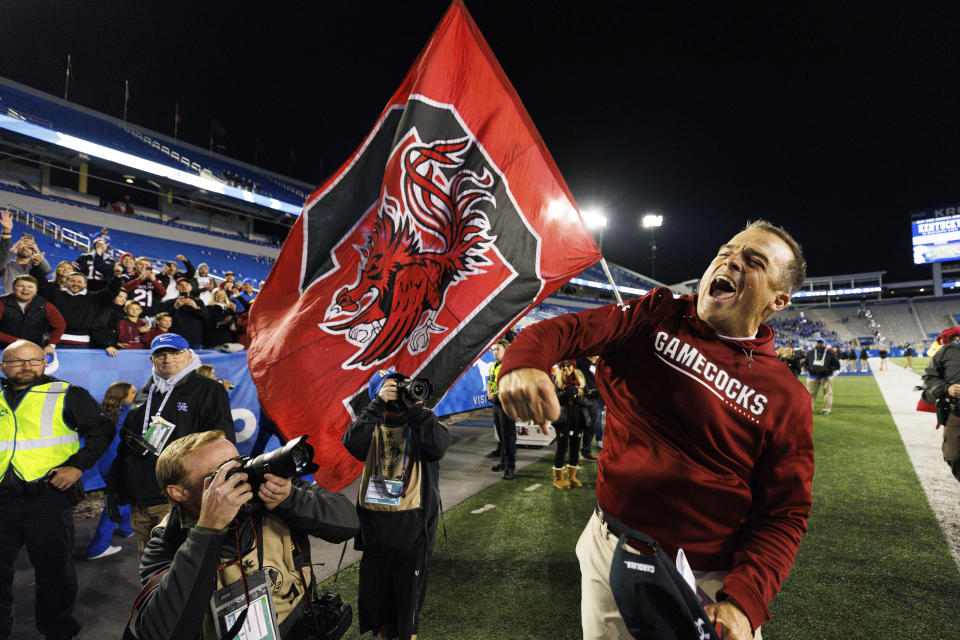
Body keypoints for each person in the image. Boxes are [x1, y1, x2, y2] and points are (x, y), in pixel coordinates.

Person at [498, 220, 813, 639]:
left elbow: (784, 513)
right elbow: (567, 331)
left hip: (707, 579)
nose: (731, 260)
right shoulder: (658, 313)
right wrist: (523, 361)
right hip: (612, 544)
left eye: (753, 261)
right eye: (726, 251)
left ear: (778, 299)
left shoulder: (785, 396)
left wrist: (744, 601)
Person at [125, 430, 359, 640]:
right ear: (179, 492)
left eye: (239, 464)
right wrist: (208, 530)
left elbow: (348, 525)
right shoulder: (168, 542)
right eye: (222, 474)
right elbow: (159, 632)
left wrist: (291, 500)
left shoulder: (269, 498)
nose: (242, 478)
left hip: (301, 625)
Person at [0, 339, 115, 640]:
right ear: (3, 366)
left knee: (54, 572)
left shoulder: (66, 394)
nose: (27, 366)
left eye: (34, 360)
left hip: (47, 500)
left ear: (43, 362)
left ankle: (57, 629)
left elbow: (103, 429)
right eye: (17, 361)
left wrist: (78, 466)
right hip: (1, 502)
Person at [342, 369, 451, 640]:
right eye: (391, 391)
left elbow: (437, 446)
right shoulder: (371, 425)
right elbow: (352, 443)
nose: (399, 396)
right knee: (380, 618)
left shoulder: (422, 423)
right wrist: (377, 405)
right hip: (375, 535)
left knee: (406, 621)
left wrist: (415, 409)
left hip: (414, 536)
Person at [107, 333, 234, 555]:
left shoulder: (207, 389)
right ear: (152, 360)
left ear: (189, 355)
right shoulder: (146, 391)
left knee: (185, 564)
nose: (168, 359)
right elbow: (127, 443)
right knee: (150, 564)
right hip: (142, 499)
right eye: (161, 354)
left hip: (181, 498)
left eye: (175, 353)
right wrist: (116, 485)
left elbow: (222, 444)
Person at [86, 381, 137, 559]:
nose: (135, 394)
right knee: (115, 503)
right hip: (120, 464)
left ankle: (126, 529)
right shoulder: (130, 412)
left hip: (105, 464)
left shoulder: (103, 413)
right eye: (132, 392)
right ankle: (98, 547)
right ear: (123, 396)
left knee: (122, 497)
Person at [35, 268, 124, 348]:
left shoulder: (93, 298)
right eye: (72, 281)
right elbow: (42, 284)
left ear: (85, 284)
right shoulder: (55, 294)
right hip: (53, 343)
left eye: (79, 282)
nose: (75, 284)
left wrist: (117, 276)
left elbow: (111, 291)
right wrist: (36, 266)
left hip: (81, 343)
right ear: (66, 282)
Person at [922, 333, 960, 481]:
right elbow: (930, 377)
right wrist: (947, 389)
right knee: (954, 455)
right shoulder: (947, 351)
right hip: (956, 413)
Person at [0, 274, 65, 352]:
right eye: (20, 286)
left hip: (34, 349)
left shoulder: (46, 305)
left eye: (30, 287)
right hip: (3, 348)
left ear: (36, 290)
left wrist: (51, 344)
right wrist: (16, 341)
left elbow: (60, 326)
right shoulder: (1, 303)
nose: (25, 289)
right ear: (13, 288)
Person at [551, 360, 589, 490]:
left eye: (569, 366)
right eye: (563, 366)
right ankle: (558, 479)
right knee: (562, 448)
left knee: (575, 447)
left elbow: (586, 398)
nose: (566, 368)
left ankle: (572, 477)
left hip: (578, 417)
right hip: (562, 418)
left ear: (573, 366)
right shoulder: (556, 378)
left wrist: (582, 397)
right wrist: (570, 392)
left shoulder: (580, 378)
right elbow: (554, 397)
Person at [0, 210, 51, 295]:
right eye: (23, 245)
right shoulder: (8, 265)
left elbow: (47, 270)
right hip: (9, 303)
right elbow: (1, 260)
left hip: (30, 304)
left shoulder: (34, 267)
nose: (25, 248)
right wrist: (14, 248)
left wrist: (37, 250)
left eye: (29, 247)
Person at [487, 338, 516, 479]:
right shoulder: (493, 366)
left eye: (498, 349)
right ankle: (504, 463)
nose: (495, 352)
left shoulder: (510, 366)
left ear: (506, 350)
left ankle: (510, 467)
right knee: (502, 436)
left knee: (508, 437)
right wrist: (489, 394)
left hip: (507, 405)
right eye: (494, 350)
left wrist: (498, 395)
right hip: (496, 405)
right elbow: (489, 382)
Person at [161, 279, 207, 348]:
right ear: (177, 287)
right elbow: (167, 321)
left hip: (195, 340)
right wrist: (175, 307)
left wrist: (196, 307)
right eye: (181, 285)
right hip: (177, 339)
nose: (184, 287)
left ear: (191, 287)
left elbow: (206, 318)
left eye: (187, 284)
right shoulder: (169, 302)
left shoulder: (199, 302)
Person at [804, 339, 840, 415]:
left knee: (828, 393)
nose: (820, 344)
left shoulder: (830, 354)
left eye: (821, 343)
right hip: (812, 376)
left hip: (826, 376)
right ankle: (808, 409)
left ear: (825, 344)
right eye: (818, 342)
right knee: (810, 394)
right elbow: (805, 363)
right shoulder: (811, 353)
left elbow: (837, 365)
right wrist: (809, 369)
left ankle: (826, 409)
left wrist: (829, 370)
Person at [90, 289, 129, 356]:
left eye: (125, 297)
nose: (123, 299)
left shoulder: (121, 312)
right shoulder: (106, 310)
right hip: (102, 349)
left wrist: (116, 343)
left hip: (111, 347)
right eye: (120, 296)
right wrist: (107, 345)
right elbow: (96, 328)